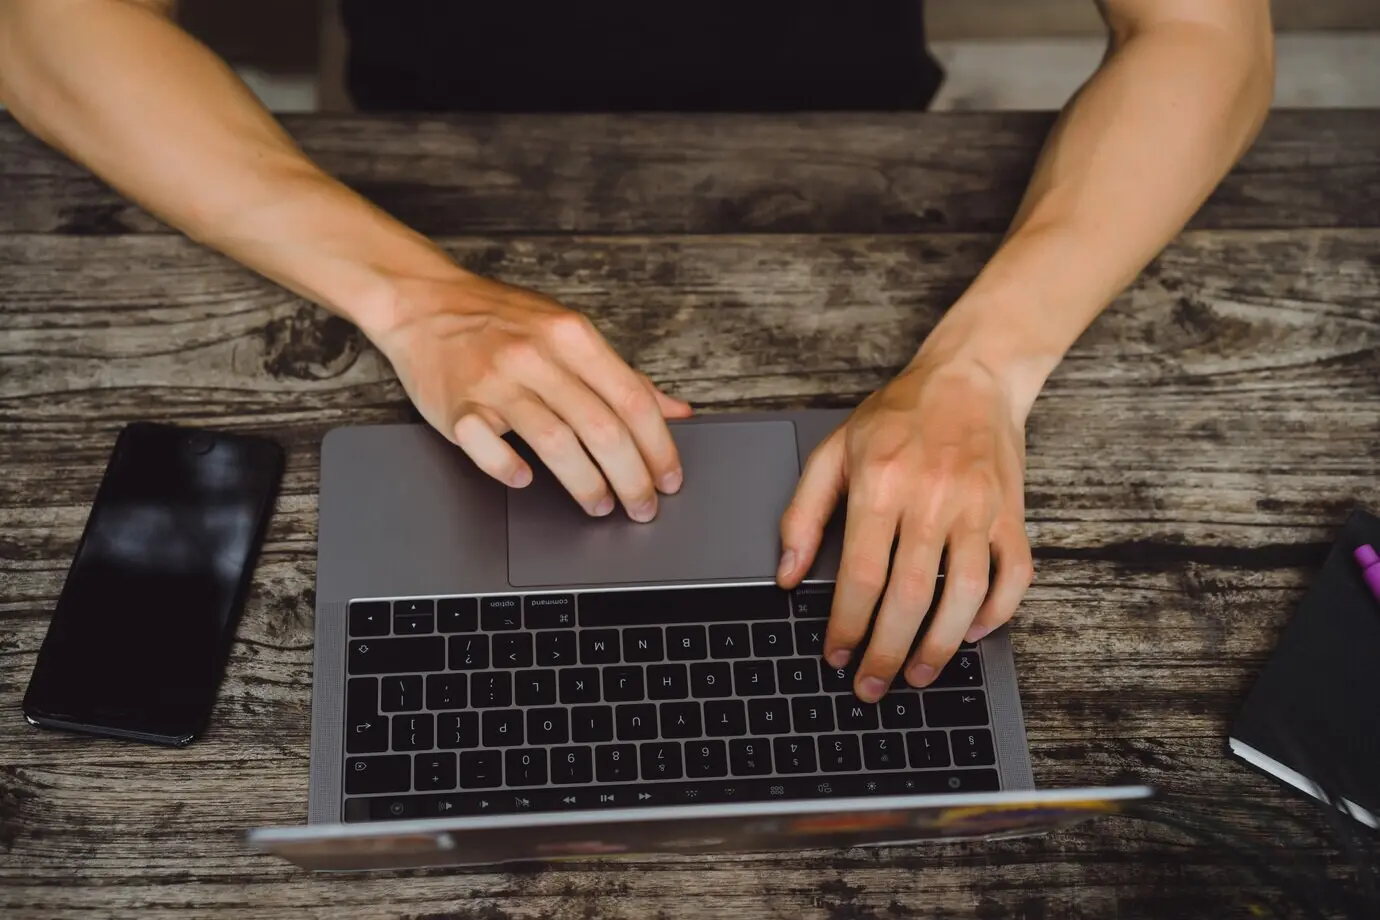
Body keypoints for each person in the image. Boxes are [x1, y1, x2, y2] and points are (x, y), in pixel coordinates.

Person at [0, 1, 1274, 703]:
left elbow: (1206, 35)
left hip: (850, 155)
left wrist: (983, 366)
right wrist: (415, 299)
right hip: (418, 143)